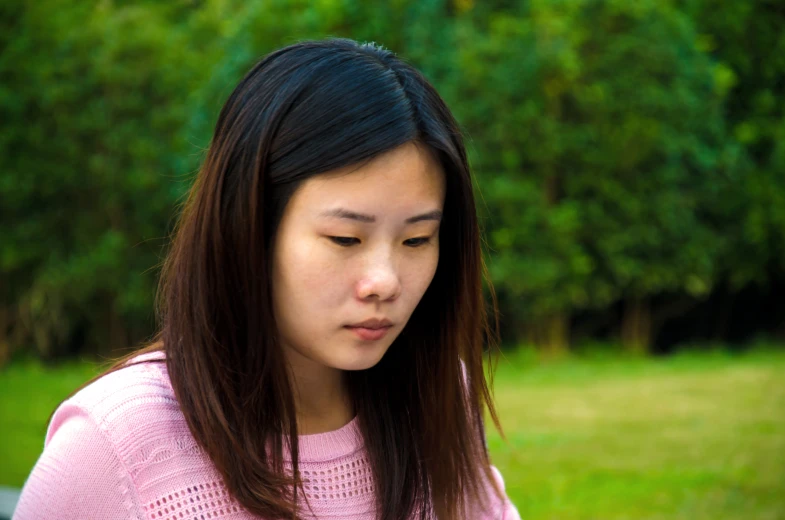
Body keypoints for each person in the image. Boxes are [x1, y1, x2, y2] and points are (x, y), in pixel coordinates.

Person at [14, 38, 520, 520]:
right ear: (248, 227)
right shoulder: (118, 442)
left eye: (416, 241)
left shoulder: (434, 393)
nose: (384, 282)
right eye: (345, 239)